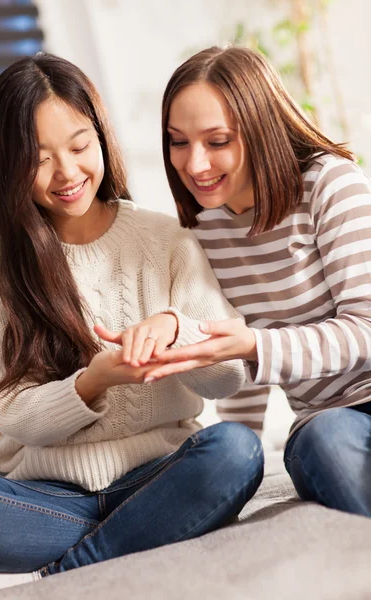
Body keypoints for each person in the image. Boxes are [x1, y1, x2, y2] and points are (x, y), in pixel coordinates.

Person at [0, 52, 264, 590]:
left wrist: (178, 331)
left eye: (80, 146)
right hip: (49, 499)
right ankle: (138, 537)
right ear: (8, 164)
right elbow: (10, 413)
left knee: (236, 453)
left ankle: (77, 574)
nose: (67, 173)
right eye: (39, 159)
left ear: (102, 137)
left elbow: (228, 377)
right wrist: (94, 380)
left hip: (158, 475)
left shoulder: (167, 239)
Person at [146, 45, 371, 518]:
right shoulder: (203, 231)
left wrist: (254, 345)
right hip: (328, 425)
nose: (195, 164)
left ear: (260, 129)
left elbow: (366, 328)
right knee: (324, 443)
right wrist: (233, 459)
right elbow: (236, 356)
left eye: (217, 140)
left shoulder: (332, 185)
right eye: (178, 141)